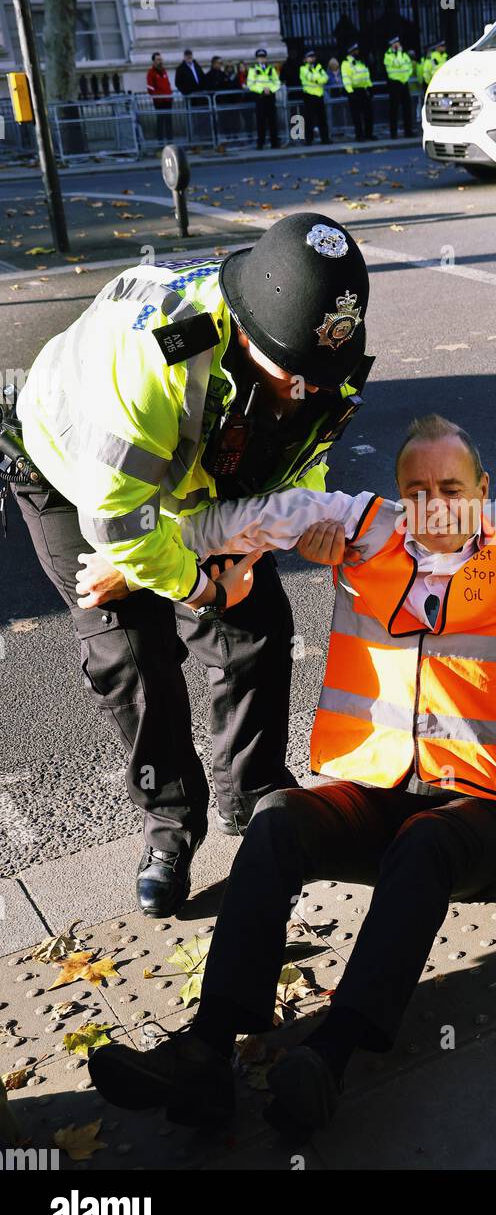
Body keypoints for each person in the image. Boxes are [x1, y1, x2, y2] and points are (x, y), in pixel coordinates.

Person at [85, 413, 496, 1134]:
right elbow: (247, 519)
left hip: (473, 816)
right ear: (396, 495)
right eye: (414, 489)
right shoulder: (361, 528)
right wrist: (136, 555)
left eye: (450, 486)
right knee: (277, 817)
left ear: (481, 488)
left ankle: (328, 1055)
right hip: (369, 798)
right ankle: (207, 1044)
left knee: (424, 842)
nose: (432, 503)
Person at [12, 215, 375, 917]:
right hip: (69, 471)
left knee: (257, 622)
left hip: (190, 488)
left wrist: (253, 547)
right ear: (244, 332)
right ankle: (170, 826)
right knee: (130, 647)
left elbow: (304, 462)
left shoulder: (315, 359)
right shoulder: (155, 358)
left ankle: (254, 793)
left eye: (320, 374)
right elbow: (118, 520)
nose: (308, 388)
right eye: (292, 373)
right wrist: (201, 580)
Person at [246, 47, 282, 150]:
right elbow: (250, 84)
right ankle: (260, 143)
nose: (261, 59)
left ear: (266, 58)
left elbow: (277, 82)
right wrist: (262, 90)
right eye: (259, 57)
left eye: (263, 57)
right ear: (257, 59)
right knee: (260, 122)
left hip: (270, 97)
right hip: (260, 97)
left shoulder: (271, 69)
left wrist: (270, 90)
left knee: (273, 121)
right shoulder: (253, 69)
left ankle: (274, 143)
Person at [340, 43, 374, 141]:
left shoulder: (360, 61)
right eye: (355, 50)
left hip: (364, 89)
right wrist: (350, 92)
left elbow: (366, 75)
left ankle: (369, 134)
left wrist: (369, 87)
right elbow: (346, 78)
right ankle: (359, 136)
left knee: (368, 113)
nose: (358, 52)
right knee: (357, 116)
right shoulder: (346, 63)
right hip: (354, 91)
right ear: (351, 51)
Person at [383, 36, 413, 139]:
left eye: (398, 43)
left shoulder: (404, 54)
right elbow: (398, 63)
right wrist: (399, 53)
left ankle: (408, 131)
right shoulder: (388, 55)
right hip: (394, 84)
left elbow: (409, 67)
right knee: (394, 109)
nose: (398, 45)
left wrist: (406, 76)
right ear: (392, 45)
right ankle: (393, 133)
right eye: (395, 43)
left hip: (404, 83)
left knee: (407, 108)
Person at [300, 49, 330, 145]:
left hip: (319, 95)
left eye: (313, 57)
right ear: (305, 59)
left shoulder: (319, 67)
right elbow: (310, 77)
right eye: (310, 57)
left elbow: (326, 78)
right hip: (309, 96)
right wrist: (319, 79)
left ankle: (325, 139)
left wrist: (318, 79)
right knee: (309, 119)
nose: (312, 58)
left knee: (322, 119)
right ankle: (309, 140)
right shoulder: (303, 68)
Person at [145, 52, 173, 145]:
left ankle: (170, 142)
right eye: (158, 59)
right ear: (153, 61)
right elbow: (150, 88)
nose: (160, 61)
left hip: (167, 100)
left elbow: (167, 84)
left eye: (160, 59)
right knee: (160, 121)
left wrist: (170, 94)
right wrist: (157, 96)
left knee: (169, 121)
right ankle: (160, 143)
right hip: (159, 101)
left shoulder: (164, 71)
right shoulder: (151, 73)